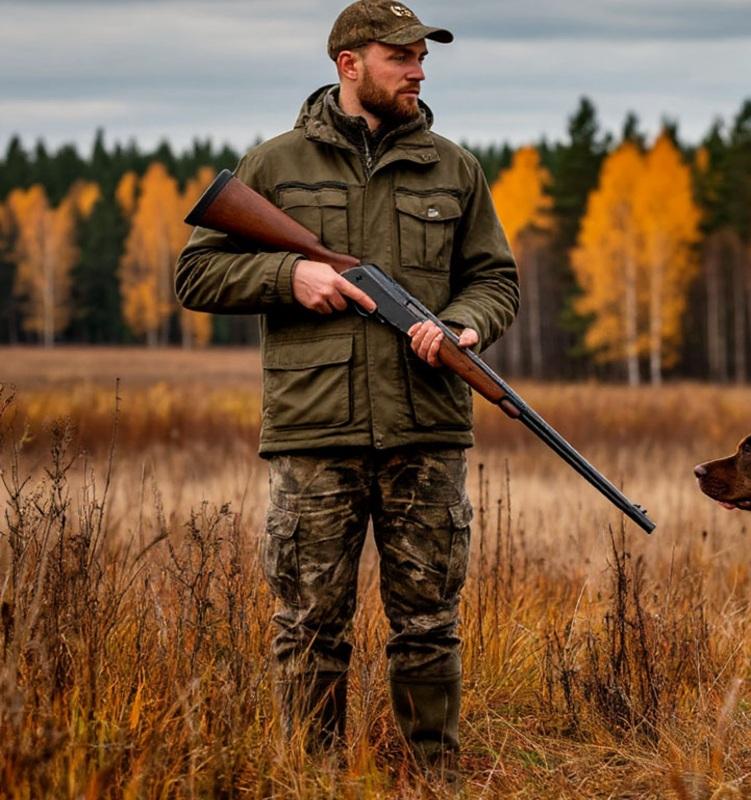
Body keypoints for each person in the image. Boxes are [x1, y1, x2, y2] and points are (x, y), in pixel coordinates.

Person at [175, 0, 520, 778]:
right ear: (349, 64)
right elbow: (195, 273)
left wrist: (464, 327)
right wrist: (287, 274)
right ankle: (311, 777)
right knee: (308, 625)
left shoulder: (455, 168)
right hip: (315, 431)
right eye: (401, 55)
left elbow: (494, 280)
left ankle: (432, 777)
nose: (419, 69)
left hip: (425, 430)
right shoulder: (272, 167)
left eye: (421, 56)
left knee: (429, 623)